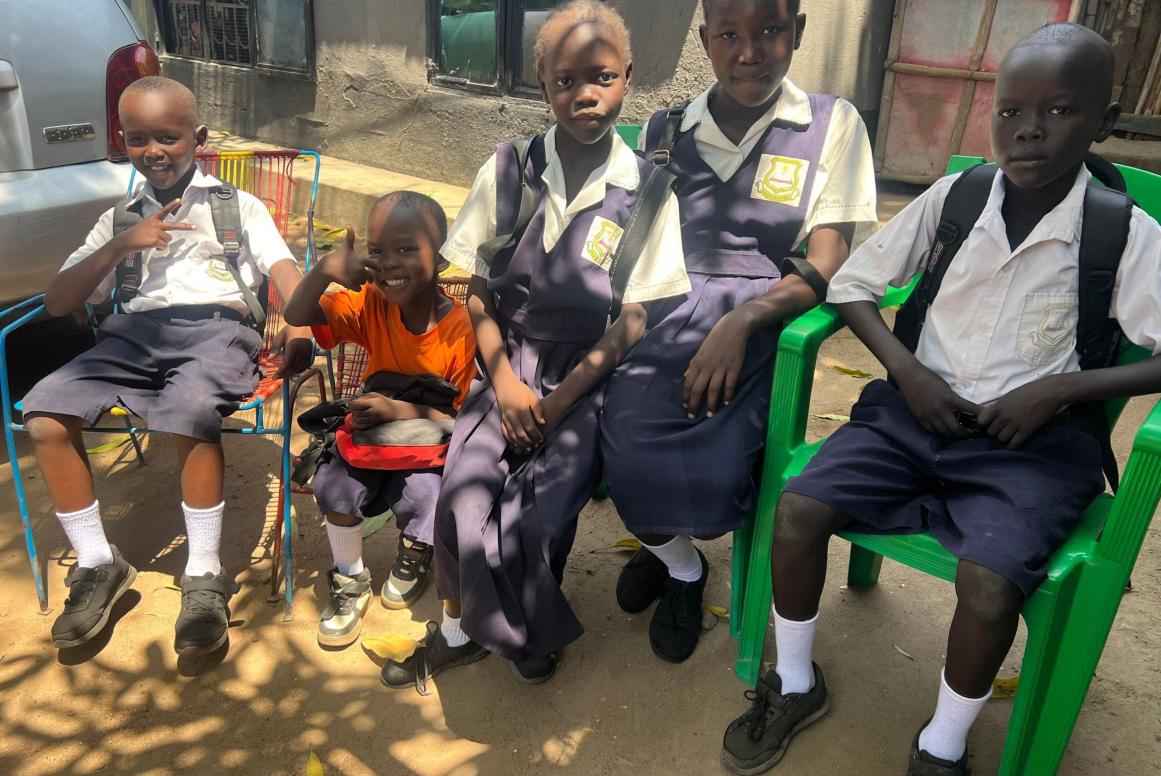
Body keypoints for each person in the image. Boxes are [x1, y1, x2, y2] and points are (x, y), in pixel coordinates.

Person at [720, 23, 1161, 776]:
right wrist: (905, 369)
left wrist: (1060, 388)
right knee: (797, 512)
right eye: (1010, 110)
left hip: (1030, 445)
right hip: (911, 416)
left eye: (1057, 112)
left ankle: (941, 748)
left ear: (1103, 123)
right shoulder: (957, 197)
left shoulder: (1121, 232)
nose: (1026, 130)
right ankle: (794, 682)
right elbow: (855, 285)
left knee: (988, 586)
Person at [380, 0, 691, 693]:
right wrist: (508, 384)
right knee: (463, 499)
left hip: (587, 377)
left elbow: (633, 318)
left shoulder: (647, 192)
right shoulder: (510, 170)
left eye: (602, 77)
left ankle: (522, 626)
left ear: (628, 78)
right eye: (564, 79)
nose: (585, 93)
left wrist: (557, 399)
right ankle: (462, 632)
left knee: (540, 514)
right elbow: (479, 292)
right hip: (506, 363)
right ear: (540, 81)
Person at [601, 0, 877, 663]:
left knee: (722, 467)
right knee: (619, 444)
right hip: (661, 311)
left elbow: (827, 258)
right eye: (729, 35)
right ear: (705, 40)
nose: (749, 51)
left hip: (759, 317)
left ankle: (668, 546)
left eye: (770, 31)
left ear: (797, 34)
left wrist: (743, 320)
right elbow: (632, 243)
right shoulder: (667, 128)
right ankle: (681, 566)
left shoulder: (830, 124)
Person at [22, 76, 313, 656]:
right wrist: (121, 245)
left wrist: (303, 318)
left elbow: (282, 271)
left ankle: (204, 575)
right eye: (136, 139)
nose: (153, 150)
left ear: (197, 137)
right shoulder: (117, 220)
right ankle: (99, 565)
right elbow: (58, 302)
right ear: (123, 143)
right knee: (46, 411)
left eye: (167, 136)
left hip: (217, 333)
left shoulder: (239, 207)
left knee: (189, 410)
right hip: (130, 338)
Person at [284, 191, 476, 648]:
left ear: (441, 254)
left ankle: (414, 552)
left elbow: (465, 424)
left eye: (406, 249)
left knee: (428, 495)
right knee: (333, 482)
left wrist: (401, 410)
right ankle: (350, 577)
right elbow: (296, 314)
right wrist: (325, 270)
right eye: (377, 251)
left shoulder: (463, 329)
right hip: (375, 435)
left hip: (430, 438)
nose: (389, 263)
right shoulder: (371, 303)